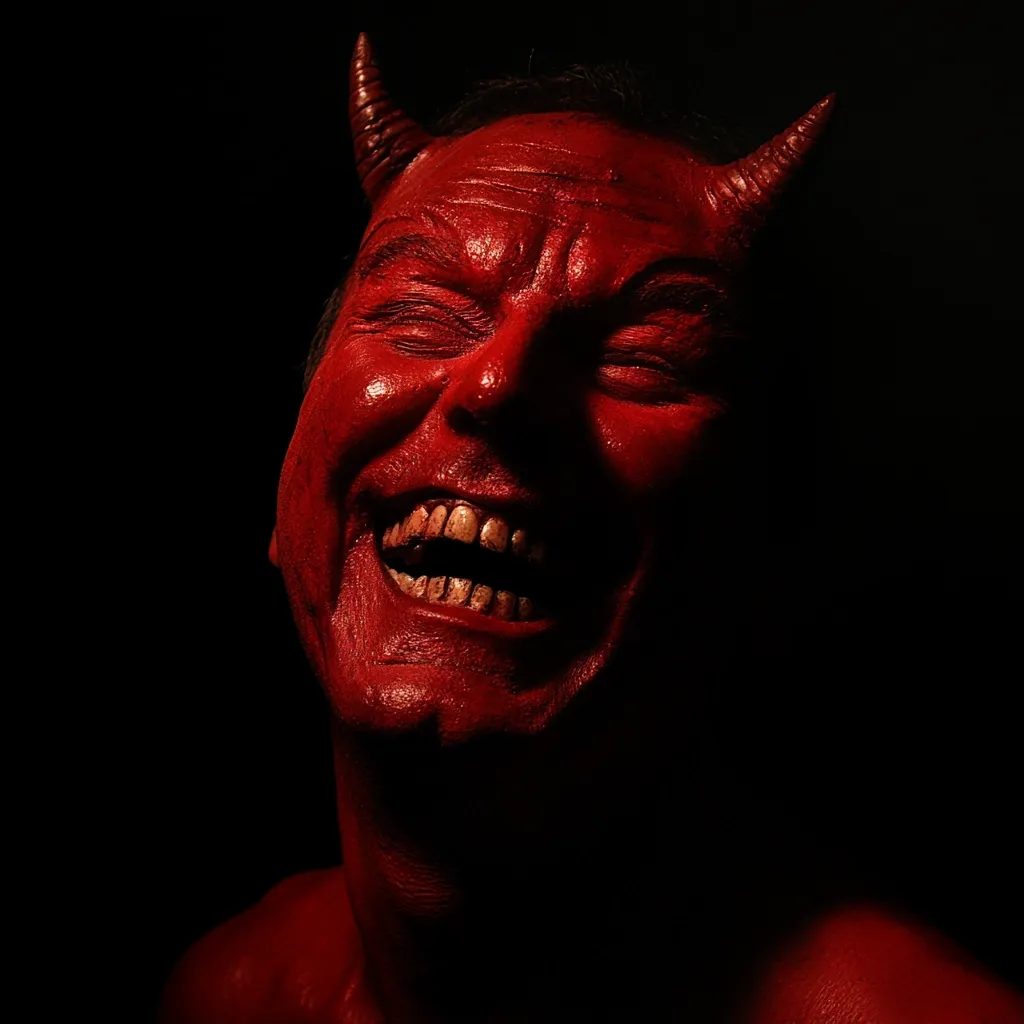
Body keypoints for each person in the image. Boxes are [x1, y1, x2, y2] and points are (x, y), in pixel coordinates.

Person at [160, 33, 1024, 1024]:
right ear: (288, 485)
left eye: (643, 357)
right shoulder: (227, 995)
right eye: (421, 312)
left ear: (770, 547)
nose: (498, 384)